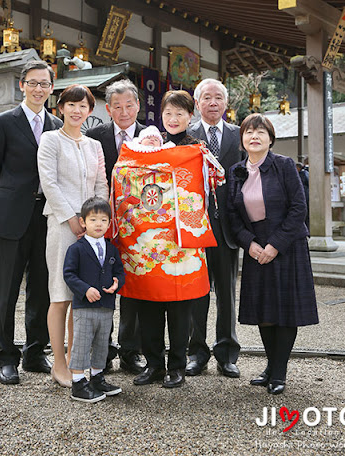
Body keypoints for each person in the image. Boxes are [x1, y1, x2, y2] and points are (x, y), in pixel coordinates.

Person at [113, 90, 223, 389]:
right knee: (148, 305)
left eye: (179, 114)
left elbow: (204, 192)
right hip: (146, 243)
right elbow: (124, 172)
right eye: (168, 114)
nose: (173, 119)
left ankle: (177, 365)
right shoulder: (149, 145)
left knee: (179, 308)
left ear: (191, 116)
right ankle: (153, 364)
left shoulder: (196, 150)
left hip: (180, 244)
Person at [0, 60, 62, 385]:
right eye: (33, 83)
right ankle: (5, 357)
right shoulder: (3, 122)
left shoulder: (57, 125)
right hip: (13, 214)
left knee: (42, 287)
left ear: (51, 88)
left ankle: (34, 351)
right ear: (22, 85)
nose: (38, 89)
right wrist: (5, 204)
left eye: (44, 84)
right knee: (7, 290)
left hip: (47, 215)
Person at [227, 114, 318, 395]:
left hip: (287, 245)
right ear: (242, 139)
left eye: (260, 132)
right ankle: (270, 366)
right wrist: (249, 243)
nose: (254, 136)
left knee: (285, 312)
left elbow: (298, 208)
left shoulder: (284, 165)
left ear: (270, 138)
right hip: (256, 246)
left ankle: (279, 372)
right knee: (264, 311)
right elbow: (232, 215)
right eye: (249, 132)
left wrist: (275, 244)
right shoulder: (236, 170)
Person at [37, 84, 109, 388]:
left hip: (91, 230)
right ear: (61, 108)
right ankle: (59, 362)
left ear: (90, 111)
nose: (77, 111)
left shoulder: (94, 145)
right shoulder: (50, 139)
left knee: (81, 296)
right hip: (62, 225)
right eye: (71, 105)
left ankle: (78, 361)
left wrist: (96, 220)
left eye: (84, 106)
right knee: (60, 294)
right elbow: (49, 183)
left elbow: (102, 185)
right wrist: (71, 218)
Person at [86, 78, 145, 374]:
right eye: (117, 106)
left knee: (132, 287)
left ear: (138, 106)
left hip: (139, 225)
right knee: (103, 283)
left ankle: (131, 350)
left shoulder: (151, 136)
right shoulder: (95, 136)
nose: (124, 112)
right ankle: (103, 350)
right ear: (108, 109)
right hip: (104, 223)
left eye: (129, 105)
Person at [186, 78, 242, 379]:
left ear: (226, 102)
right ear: (197, 103)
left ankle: (227, 353)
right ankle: (197, 353)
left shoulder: (238, 134)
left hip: (227, 226)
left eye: (218, 97)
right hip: (194, 225)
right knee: (197, 291)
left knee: (226, 291)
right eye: (206, 98)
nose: (213, 103)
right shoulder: (187, 133)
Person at [63, 197, 125, 403]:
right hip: (84, 306)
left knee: (102, 342)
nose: (99, 224)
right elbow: (69, 275)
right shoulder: (76, 249)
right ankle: (78, 382)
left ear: (109, 223)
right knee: (81, 342)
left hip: (106, 305)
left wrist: (117, 283)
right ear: (83, 222)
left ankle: (97, 377)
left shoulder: (112, 249)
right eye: (93, 220)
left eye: (103, 220)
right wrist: (85, 289)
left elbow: (119, 272)